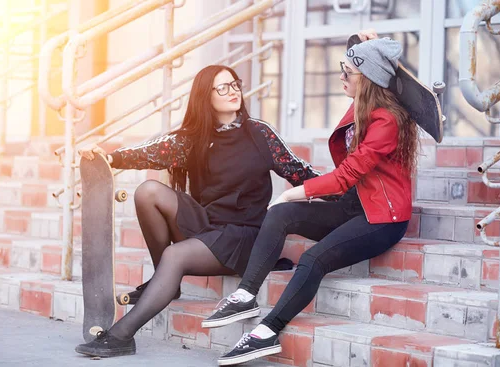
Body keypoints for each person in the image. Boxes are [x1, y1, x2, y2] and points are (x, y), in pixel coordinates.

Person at [74, 64, 321, 358]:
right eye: (223, 88)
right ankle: (164, 282)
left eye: (235, 84)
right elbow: (153, 151)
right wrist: (109, 157)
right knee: (147, 192)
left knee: (174, 255)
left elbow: (300, 172)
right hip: (209, 224)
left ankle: (121, 335)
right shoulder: (195, 138)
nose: (233, 92)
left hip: (244, 237)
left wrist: (349, 187)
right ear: (207, 96)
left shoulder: (260, 133)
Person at [205, 33, 420, 366]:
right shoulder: (365, 104)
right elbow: (378, 62)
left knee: (313, 260)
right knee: (281, 215)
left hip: (381, 220)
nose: (341, 76)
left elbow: (348, 174)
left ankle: (266, 333)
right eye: (342, 67)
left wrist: (295, 190)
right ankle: (246, 294)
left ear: (367, 80)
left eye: (347, 71)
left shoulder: (386, 122)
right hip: (353, 205)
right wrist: (362, 40)